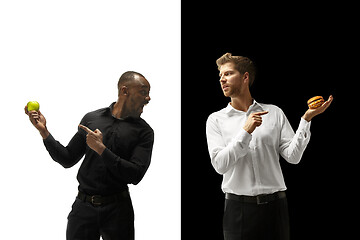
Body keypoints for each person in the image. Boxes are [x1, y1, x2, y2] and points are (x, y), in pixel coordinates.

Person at [205, 53, 333, 240]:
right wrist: (245, 131)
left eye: (228, 73)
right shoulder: (215, 120)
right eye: (220, 76)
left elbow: (293, 157)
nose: (222, 79)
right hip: (237, 211)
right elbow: (220, 165)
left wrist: (306, 120)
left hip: (275, 209)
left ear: (245, 77)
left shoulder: (274, 113)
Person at [25, 71, 154, 240]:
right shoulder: (92, 118)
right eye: (143, 92)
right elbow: (67, 158)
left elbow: (135, 175)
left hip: (118, 211)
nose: (148, 98)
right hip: (83, 209)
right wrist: (44, 132)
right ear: (124, 91)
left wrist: (101, 149)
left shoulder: (144, 132)